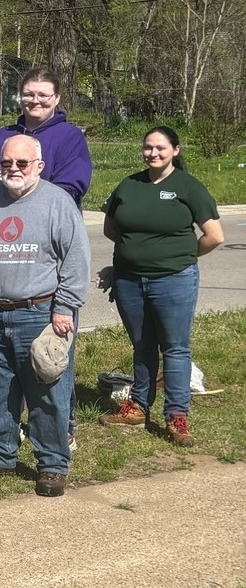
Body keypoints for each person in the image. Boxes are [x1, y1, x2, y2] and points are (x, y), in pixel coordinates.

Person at [0, 134, 90, 497]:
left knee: (48, 392)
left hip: (42, 313)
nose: (13, 170)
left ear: (39, 166)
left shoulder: (57, 202)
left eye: (21, 163)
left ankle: (52, 464)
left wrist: (65, 307)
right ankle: (0, 453)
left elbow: (76, 260)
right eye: (6, 164)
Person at [99, 125, 223, 447]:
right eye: (148, 147)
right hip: (128, 280)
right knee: (142, 344)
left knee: (175, 348)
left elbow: (214, 236)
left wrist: (180, 256)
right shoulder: (128, 185)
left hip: (174, 280)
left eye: (160, 148)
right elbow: (111, 228)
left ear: (175, 151)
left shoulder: (188, 187)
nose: (153, 153)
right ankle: (138, 407)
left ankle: (176, 416)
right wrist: (134, 254)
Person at [0, 69, 92, 205]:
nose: (35, 101)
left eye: (43, 95)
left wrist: (27, 213)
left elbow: (69, 188)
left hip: (49, 220)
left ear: (57, 98)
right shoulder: (1, 136)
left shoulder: (70, 137)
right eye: (28, 95)